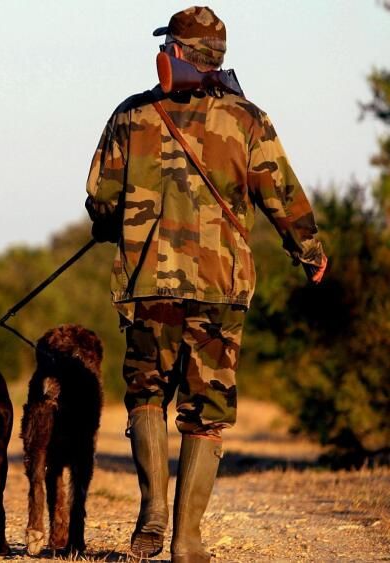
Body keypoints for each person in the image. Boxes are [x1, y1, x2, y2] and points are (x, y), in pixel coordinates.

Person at [84, 6, 326, 563]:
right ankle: (187, 541)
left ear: (175, 50)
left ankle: (152, 512)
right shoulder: (248, 119)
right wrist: (309, 251)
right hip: (220, 287)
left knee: (147, 394)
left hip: (147, 283)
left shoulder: (131, 114)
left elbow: (100, 198)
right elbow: (283, 198)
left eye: (167, 44)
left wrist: (110, 223)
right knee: (206, 411)